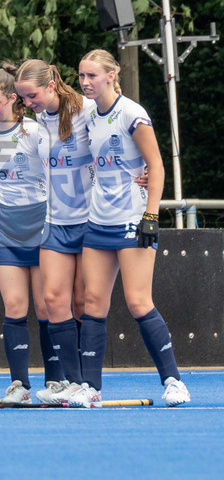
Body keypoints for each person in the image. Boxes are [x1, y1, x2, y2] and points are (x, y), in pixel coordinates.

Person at [69, 50, 190, 407]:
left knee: (138, 301)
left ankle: (174, 381)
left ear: (111, 75)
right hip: (98, 221)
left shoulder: (132, 114)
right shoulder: (87, 114)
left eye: (92, 76)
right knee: (92, 303)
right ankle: (90, 388)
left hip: (132, 221)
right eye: (81, 76)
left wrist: (150, 216)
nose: (85, 82)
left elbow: (157, 165)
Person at [0, 64, 64, 404]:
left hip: (40, 222)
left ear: (14, 99)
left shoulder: (37, 132)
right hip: (5, 226)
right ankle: (18, 384)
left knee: (45, 307)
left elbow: (64, 171)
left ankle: (56, 381)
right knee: (14, 305)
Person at [14, 59, 96, 403]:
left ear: (50, 86)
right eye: (22, 98)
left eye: (30, 95)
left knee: (81, 302)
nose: (27, 103)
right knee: (53, 300)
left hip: (91, 220)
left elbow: (116, 145)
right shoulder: (36, 123)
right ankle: (74, 384)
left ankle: (90, 386)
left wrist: (143, 175)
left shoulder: (87, 111)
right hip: (55, 222)